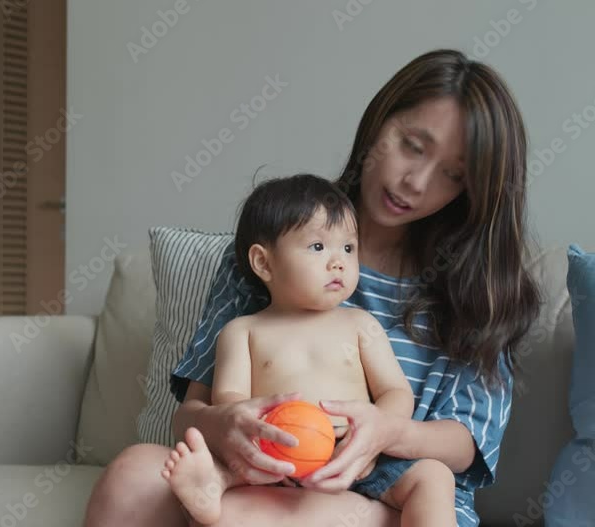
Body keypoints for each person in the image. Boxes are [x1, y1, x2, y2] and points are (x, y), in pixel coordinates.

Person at [84, 48, 541, 527]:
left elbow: (467, 443)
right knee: (132, 475)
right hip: (274, 476)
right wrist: (228, 424)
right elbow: (191, 415)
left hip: (393, 500)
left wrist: (385, 431)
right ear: (379, 122)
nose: (415, 181)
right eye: (412, 144)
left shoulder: (480, 290)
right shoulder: (279, 237)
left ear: (470, 189)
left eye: (452, 174)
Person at [160, 173, 458, 526]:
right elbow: (230, 399)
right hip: (274, 455)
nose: (339, 262)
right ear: (264, 263)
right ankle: (213, 487)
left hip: (356, 458)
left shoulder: (361, 325)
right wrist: (257, 434)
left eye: (348, 247)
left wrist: (376, 431)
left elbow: (395, 391)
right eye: (318, 247)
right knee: (228, 467)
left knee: (435, 476)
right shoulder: (242, 331)